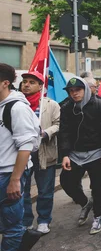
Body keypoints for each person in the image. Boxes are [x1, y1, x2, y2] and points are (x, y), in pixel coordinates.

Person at [0, 64, 40, 251]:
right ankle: (25, 237)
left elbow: (26, 146)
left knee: (12, 224)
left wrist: (15, 179)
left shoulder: (16, 108)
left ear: (5, 82)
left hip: (8, 175)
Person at [59, 77, 101, 235]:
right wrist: (65, 155)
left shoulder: (100, 105)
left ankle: (98, 216)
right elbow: (64, 132)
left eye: (78, 90)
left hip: (96, 153)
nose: (74, 94)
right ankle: (85, 203)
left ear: (86, 89)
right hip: (75, 154)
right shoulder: (67, 107)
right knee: (66, 182)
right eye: (71, 91)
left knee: (97, 187)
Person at [20, 71, 60, 235]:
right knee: (24, 191)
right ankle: (26, 221)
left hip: (44, 152)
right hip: (23, 154)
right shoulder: (18, 104)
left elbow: (58, 124)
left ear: (40, 86)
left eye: (31, 82)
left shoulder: (51, 105)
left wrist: (45, 133)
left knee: (45, 190)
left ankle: (44, 220)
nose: (26, 85)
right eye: (24, 82)